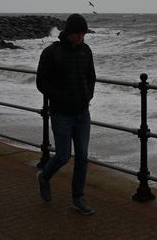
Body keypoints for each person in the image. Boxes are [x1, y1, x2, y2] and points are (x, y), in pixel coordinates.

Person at [36, 13, 96, 215]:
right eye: (78, 33)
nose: (81, 37)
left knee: (82, 157)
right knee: (63, 156)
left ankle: (78, 198)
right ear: (69, 32)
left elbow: (91, 77)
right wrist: (60, 98)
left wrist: (88, 95)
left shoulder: (86, 51)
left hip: (82, 113)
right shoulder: (52, 53)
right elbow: (41, 82)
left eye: (83, 33)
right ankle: (44, 177)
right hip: (61, 113)